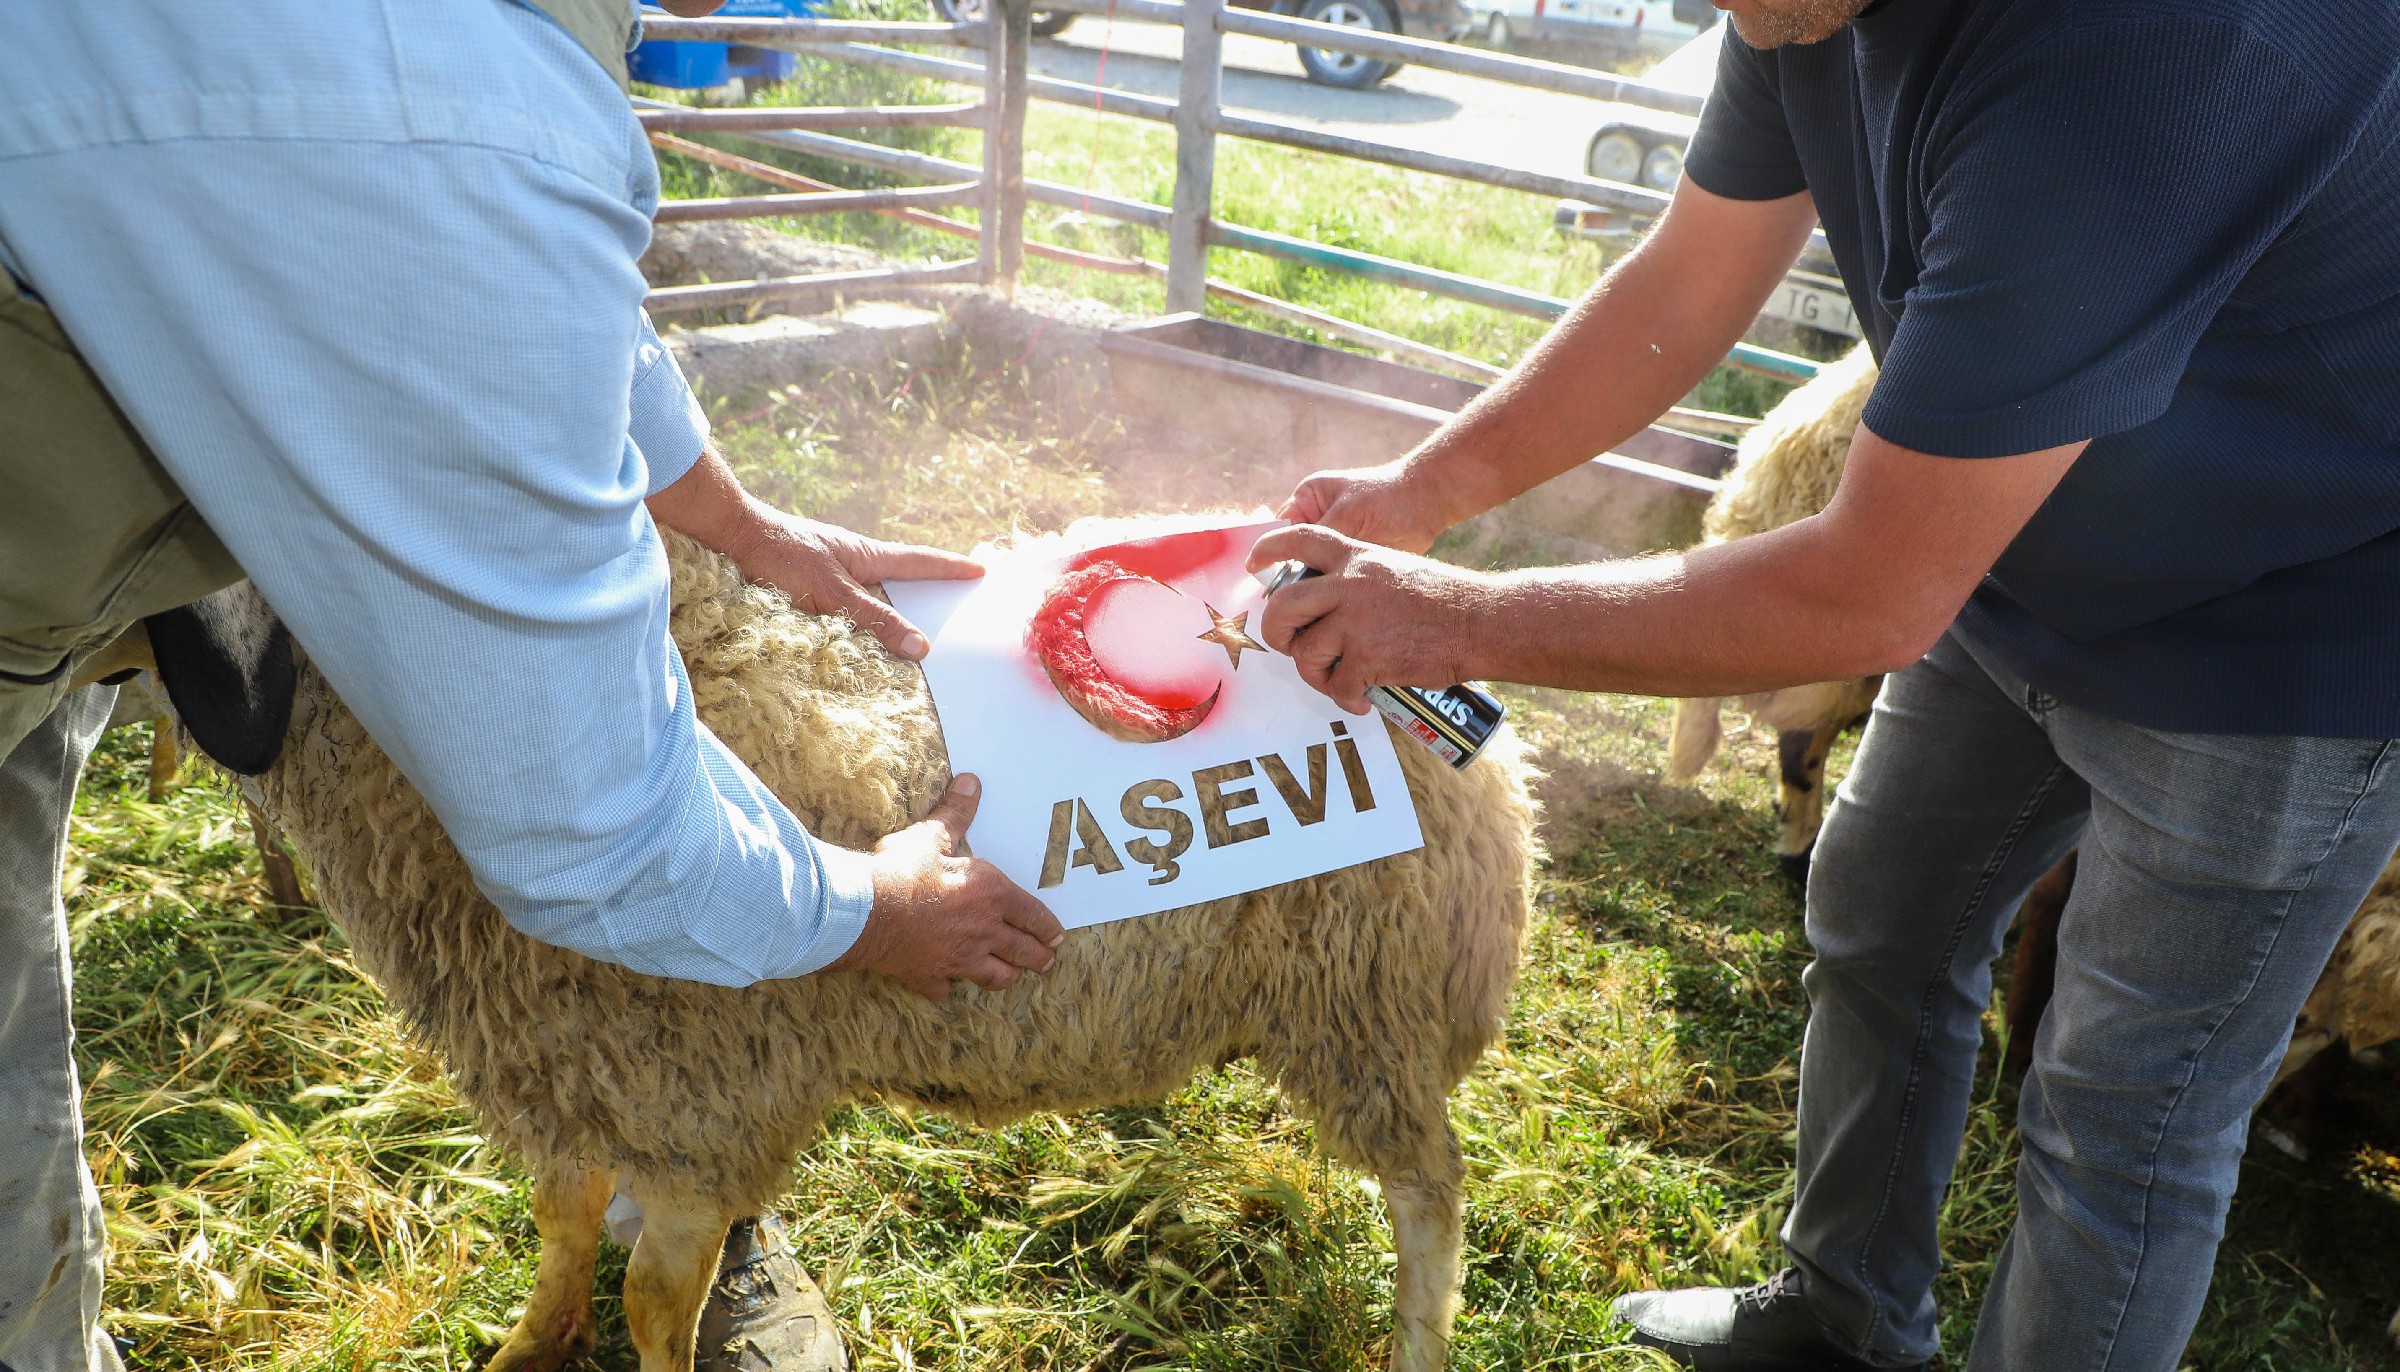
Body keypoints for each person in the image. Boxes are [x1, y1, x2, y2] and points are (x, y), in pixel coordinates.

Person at [1246, 0, 2400, 1367]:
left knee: (2126, 1109)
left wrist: (1449, 623)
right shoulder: (1796, 7)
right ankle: (1845, 1315)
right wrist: (1422, 491)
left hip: (2284, 623)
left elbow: (1865, 592)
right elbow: (1690, 280)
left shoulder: (2129, 62)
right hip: (2016, 544)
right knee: (1885, 910)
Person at [0, 3, 1061, 1370]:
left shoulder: (464, 82)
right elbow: (585, 817)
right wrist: (871, 906)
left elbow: (499, 266)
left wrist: (733, 517)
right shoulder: (464, 114)